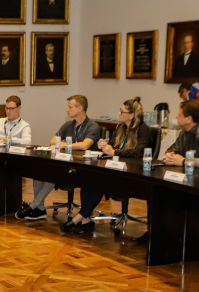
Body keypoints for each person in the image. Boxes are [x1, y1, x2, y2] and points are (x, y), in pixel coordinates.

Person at [59, 97, 152, 234]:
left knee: (100, 183)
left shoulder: (143, 129)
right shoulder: (120, 128)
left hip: (131, 172)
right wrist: (105, 146)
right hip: (115, 167)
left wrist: (114, 151)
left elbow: (138, 152)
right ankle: (84, 221)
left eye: (122, 111)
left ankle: (78, 218)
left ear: (131, 115)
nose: (119, 113)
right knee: (88, 179)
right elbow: (113, 146)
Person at [17, 95, 100, 221]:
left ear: (80, 108)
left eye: (70, 107)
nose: (67, 110)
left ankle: (33, 206)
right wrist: (62, 144)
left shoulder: (92, 126)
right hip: (65, 163)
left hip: (81, 169)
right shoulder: (68, 125)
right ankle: (39, 208)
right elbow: (52, 141)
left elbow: (85, 145)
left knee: (53, 173)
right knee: (38, 171)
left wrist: (64, 144)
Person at [162, 99, 199, 169]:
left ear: (189, 119)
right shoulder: (184, 132)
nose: (176, 117)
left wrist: (184, 161)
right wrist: (169, 156)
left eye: (179, 115)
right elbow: (172, 150)